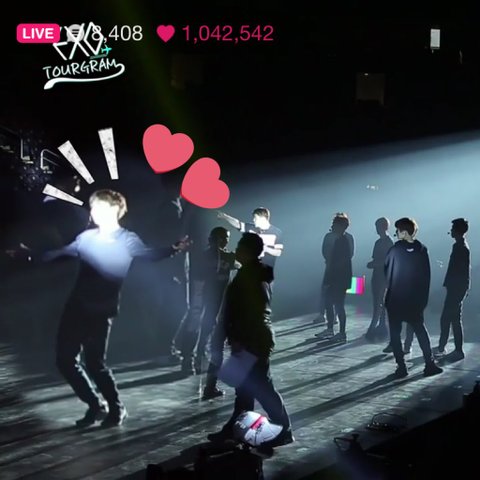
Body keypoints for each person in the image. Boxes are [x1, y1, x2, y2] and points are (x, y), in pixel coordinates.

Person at [10, 189, 189, 428]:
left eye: (99, 207)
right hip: (77, 306)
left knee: (95, 363)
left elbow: (149, 254)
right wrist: (30, 255)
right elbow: (58, 254)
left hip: (101, 309)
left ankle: (116, 407)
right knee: (65, 360)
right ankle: (96, 405)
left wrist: (173, 249)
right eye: (93, 207)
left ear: (115, 210)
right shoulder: (86, 238)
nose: (93, 212)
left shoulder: (127, 239)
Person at [207, 233, 293, 449]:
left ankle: (283, 429)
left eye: (240, 247)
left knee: (261, 387)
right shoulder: (252, 273)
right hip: (251, 338)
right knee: (246, 389)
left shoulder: (250, 276)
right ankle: (237, 429)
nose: (236, 250)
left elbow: (248, 311)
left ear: (248, 251)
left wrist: (239, 337)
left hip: (252, 340)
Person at [176, 227, 238, 382]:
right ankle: (188, 358)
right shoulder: (205, 257)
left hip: (215, 300)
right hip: (203, 296)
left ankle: (198, 354)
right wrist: (197, 302)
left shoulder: (227, 256)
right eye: (225, 238)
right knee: (195, 324)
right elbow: (197, 278)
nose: (227, 241)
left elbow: (240, 263)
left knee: (208, 325)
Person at [384, 217, 442, 378]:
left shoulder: (395, 250)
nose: (396, 233)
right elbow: (426, 277)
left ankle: (401, 367)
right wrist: (422, 300)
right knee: (420, 331)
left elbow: (387, 272)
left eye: (398, 231)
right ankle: (429, 363)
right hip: (414, 300)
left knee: (395, 334)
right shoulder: (421, 250)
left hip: (395, 299)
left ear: (404, 232)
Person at [434, 218, 470, 361]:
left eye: (453, 228)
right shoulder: (460, 246)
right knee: (452, 318)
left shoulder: (460, 247)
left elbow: (460, 270)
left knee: (450, 319)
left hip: (456, 288)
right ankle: (446, 347)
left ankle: (452, 349)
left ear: (457, 230)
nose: (451, 231)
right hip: (457, 287)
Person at [316, 213, 353, 342]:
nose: (332, 226)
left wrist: (329, 277)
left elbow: (337, 262)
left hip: (338, 278)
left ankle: (340, 332)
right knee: (332, 303)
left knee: (337, 304)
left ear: (340, 226)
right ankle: (333, 329)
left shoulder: (342, 241)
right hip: (339, 277)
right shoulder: (342, 240)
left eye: (334, 224)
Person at [217, 207, 283, 270]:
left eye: (255, 218)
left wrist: (265, 248)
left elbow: (278, 252)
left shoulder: (277, 232)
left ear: (263, 218)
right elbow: (237, 224)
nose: (253, 220)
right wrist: (224, 216)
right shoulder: (250, 227)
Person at [365, 217, 394, 341]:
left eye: (378, 227)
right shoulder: (378, 242)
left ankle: (373, 327)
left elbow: (389, 261)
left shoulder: (388, 242)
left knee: (379, 301)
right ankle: (381, 326)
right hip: (377, 275)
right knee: (378, 301)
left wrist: (375, 264)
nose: (376, 229)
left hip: (383, 276)